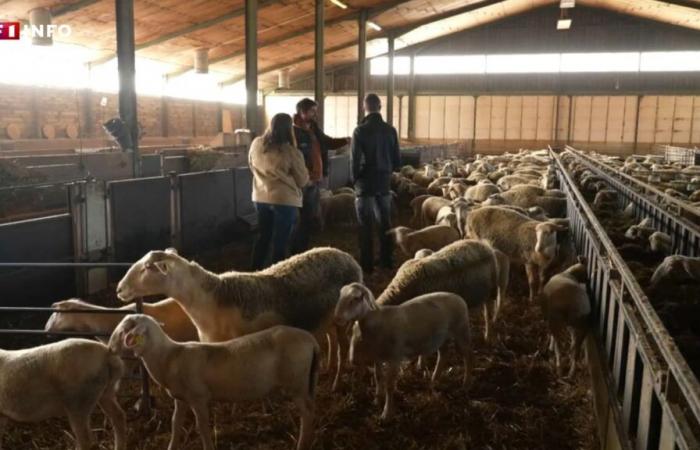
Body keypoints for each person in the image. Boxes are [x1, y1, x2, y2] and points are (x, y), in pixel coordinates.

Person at [249, 113, 310, 270]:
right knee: (280, 241)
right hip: (284, 200)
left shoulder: (256, 144)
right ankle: (277, 276)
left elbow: (250, 164)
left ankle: (254, 272)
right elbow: (302, 180)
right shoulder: (290, 152)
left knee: (263, 237)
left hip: (261, 197)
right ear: (289, 129)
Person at [291, 98, 350, 253]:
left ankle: (302, 248)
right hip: (302, 180)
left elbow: (327, 142)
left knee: (309, 216)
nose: (315, 114)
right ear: (302, 112)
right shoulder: (293, 132)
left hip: (315, 178)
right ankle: (296, 250)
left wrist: (345, 140)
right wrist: (304, 175)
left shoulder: (314, 129)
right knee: (300, 217)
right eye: (312, 111)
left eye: (315, 111)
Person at [351, 93, 401, 273]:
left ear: (365, 107)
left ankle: (367, 264)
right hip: (384, 182)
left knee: (365, 224)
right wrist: (390, 172)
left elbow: (355, 160)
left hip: (365, 183)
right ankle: (386, 260)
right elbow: (397, 159)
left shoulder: (360, 130)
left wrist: (355, 179)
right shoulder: (390, 130)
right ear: (380, 107)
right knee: (385, 222)